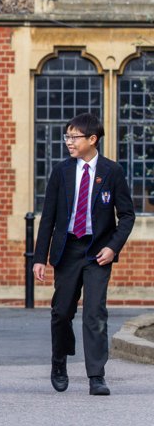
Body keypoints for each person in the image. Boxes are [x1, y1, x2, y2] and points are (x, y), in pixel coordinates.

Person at [33, 113, 135, 396]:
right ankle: (59, 361)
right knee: (62, 311)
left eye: (73, 137)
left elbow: (126, 215)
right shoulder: (62, 171)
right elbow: (49, 218)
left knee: (95, 312)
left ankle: (96, 375)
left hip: (97, 252)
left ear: (92, 139)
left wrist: (113, 247)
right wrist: (40, 258)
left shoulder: (112, 172)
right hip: (68, 250)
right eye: (66, 136)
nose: (68, 142)